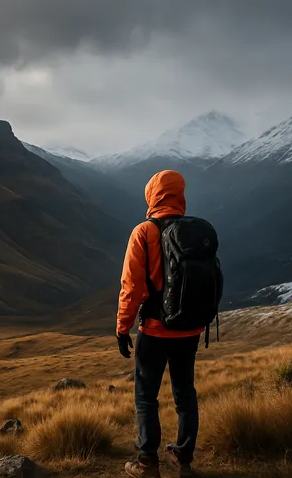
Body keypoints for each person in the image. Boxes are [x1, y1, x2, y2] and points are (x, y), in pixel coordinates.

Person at [117, 170, 210, 478]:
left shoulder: (144, 232)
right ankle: (183, 460)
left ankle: (147, 464)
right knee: (185, 392)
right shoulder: (196, 231)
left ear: (152, 194)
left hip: (154, 330)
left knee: (146, 396)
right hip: (190, 329)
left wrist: (122, 328)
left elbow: (132, 287)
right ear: (179, 194)